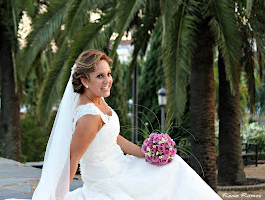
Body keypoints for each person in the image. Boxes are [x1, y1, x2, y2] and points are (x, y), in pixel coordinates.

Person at [31, 49, 222, 200]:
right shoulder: (89, 115)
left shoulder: (97, 100)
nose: (108, 81)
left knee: (172, 165)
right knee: (169, 176)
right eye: (100, 76)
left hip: (123, 167)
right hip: (108, 181)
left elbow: (113, 138)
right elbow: (72, 159)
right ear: (84, 80)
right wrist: (59, 196)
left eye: (108, 74)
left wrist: (148, 153)